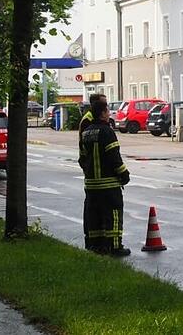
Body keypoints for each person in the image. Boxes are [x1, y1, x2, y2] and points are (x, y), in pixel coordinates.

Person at [79, 99, 131, 256]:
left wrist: (91, 174)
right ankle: (115, 246)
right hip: (108, 185)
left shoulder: (86, 132)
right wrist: (124, 174)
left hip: (91, 186)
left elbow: (82, 159)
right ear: (102, 114)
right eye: (108, 111)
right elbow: (113, 156)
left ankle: (94, 245)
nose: (109, 114)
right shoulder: (107, 132)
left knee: (93, 216)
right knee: (113, 214)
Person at [78, 92, 107, 252]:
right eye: (103, 104)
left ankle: (96, 239)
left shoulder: (90, 118)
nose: (106, 108)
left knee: (94, 207)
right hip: (94, 168)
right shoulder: (89, 120)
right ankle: (96, 240)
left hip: (93, 167)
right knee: (94, 206)